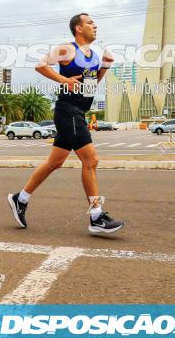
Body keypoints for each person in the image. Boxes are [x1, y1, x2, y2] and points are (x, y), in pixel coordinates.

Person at [7, 13, 124, 234]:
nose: (95, 25)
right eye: (90, 22)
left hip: (78, 110)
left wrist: (105, 68)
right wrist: (64, 80)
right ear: (78, 28)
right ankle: (96, 216)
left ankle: (19, 198)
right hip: (68, 111)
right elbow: (40, 65)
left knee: (55, 163)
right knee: (91, 160)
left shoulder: (93, 54)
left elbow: (90, 86)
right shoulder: (68, 49)